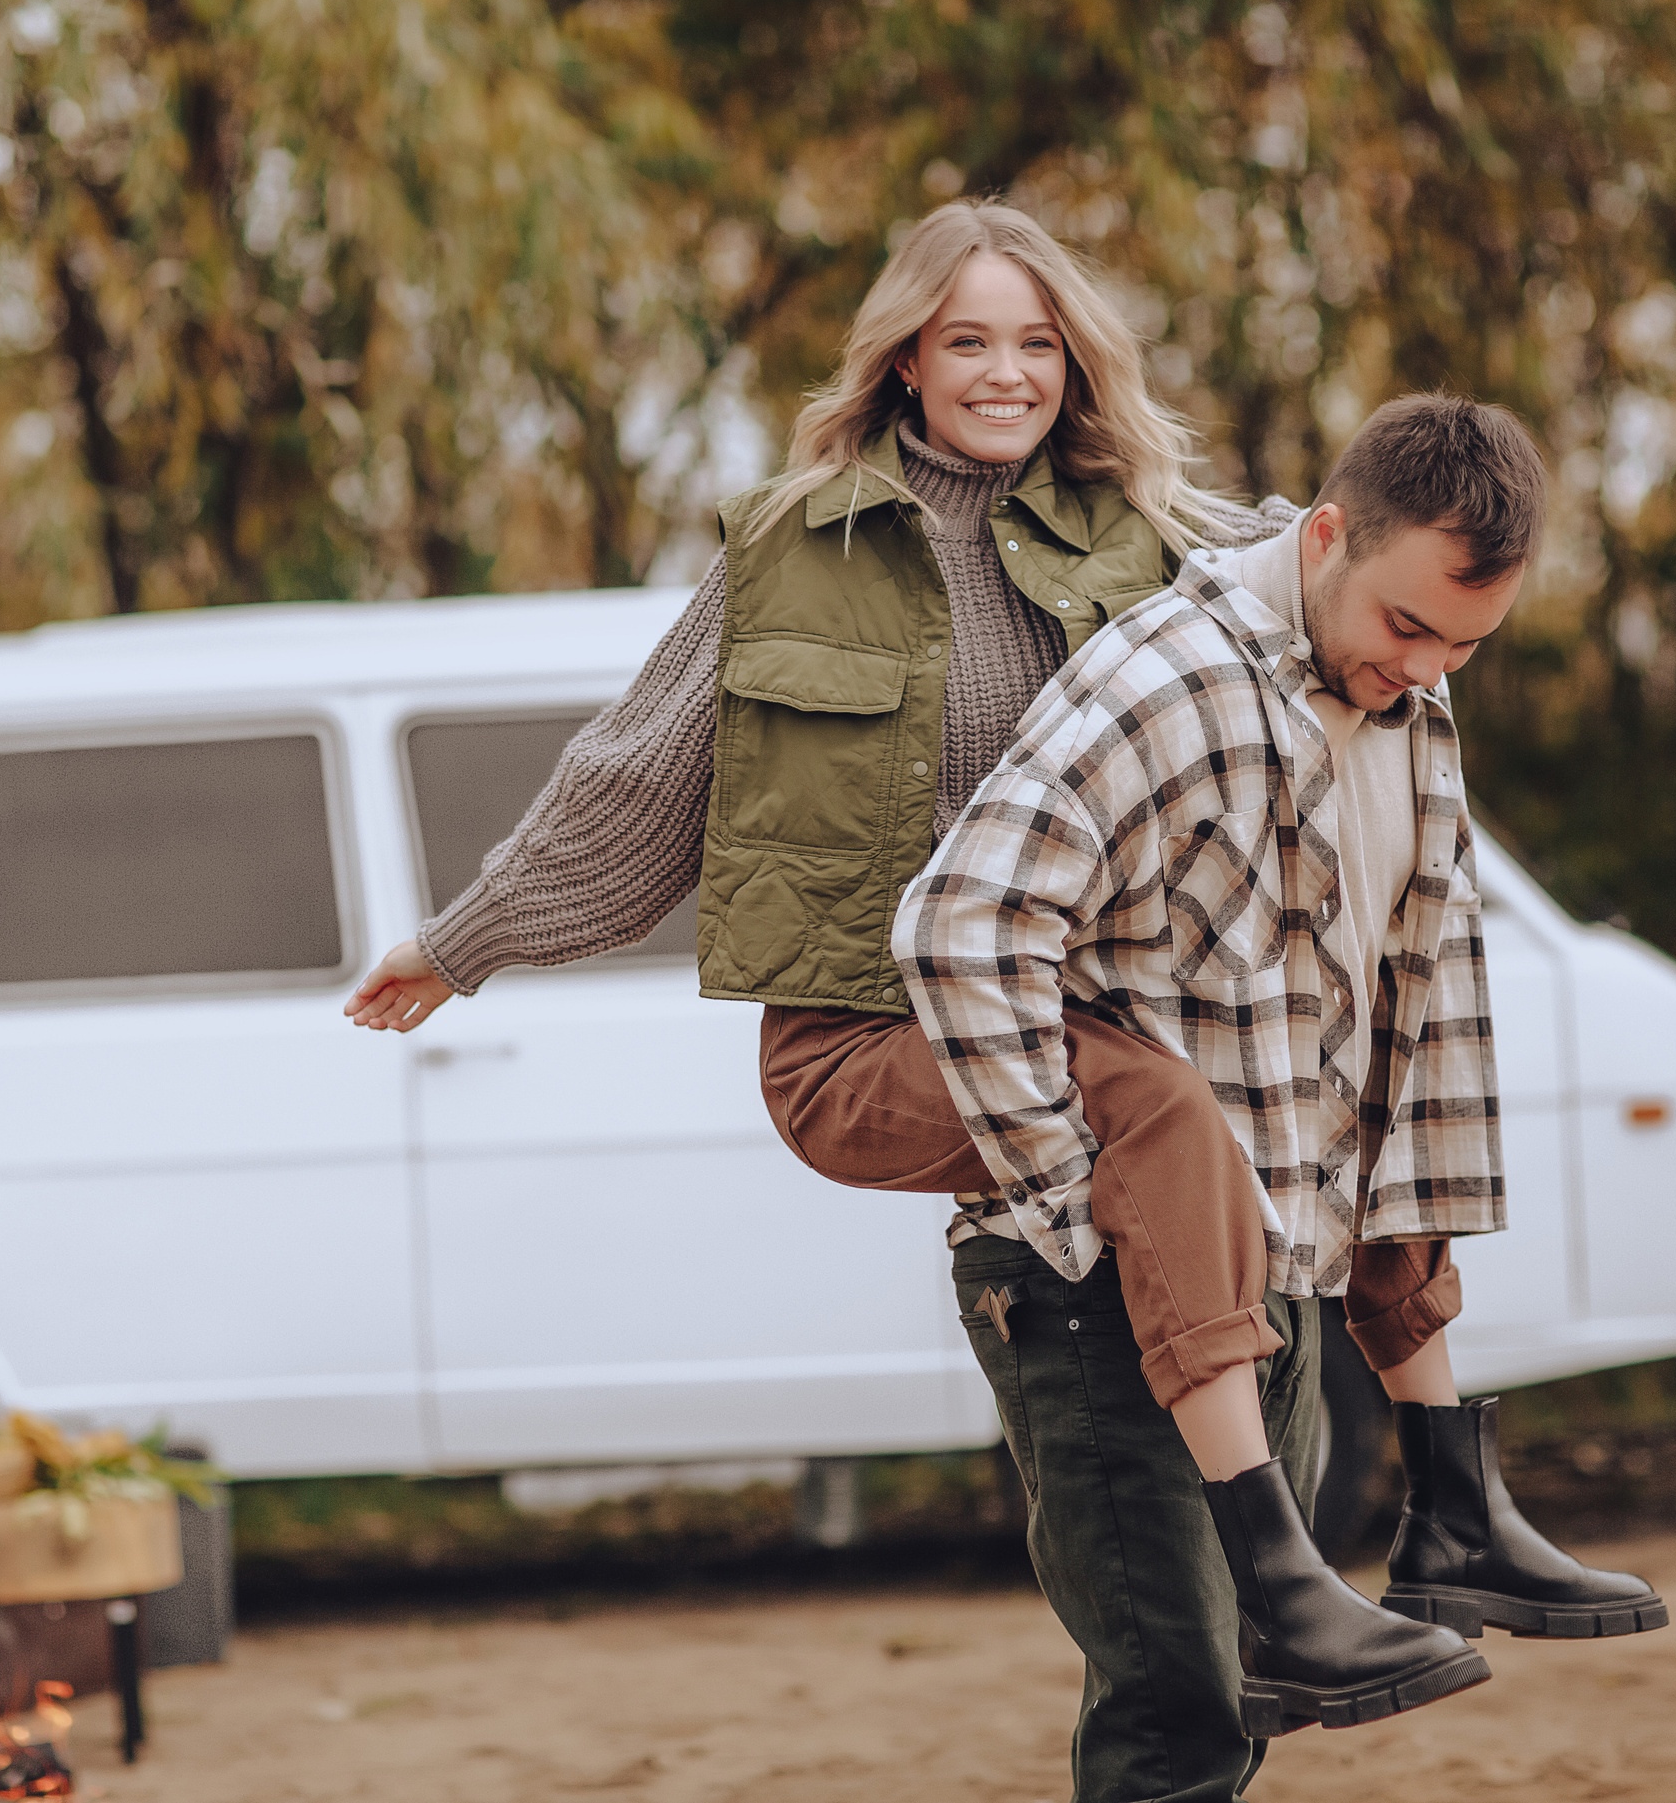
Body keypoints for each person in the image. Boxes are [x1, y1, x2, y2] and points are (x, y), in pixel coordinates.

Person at [347, 199, 1337, 1800]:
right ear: (907, 359)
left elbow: (1329, 588)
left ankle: (1324, 1559)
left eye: (1036, 342)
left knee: (1211, 1155)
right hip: (872, 1041)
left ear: (1076, 362)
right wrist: (463, 941)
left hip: (1112, 1044)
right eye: (968, 341)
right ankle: (1281, 1575)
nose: (1005, 373)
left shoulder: (1156, 538)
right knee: (1154, 1115)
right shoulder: (797, 538)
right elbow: (631, 782)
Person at [891, 392, 1668, 1741]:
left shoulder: (1408, 706)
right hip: (1100, 1285)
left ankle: (1456, 1510)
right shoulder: (1172, 682)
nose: (1426, 666)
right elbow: (960, 924)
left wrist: (1404, 1338)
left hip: (1272, 1274)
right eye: (1407, 624)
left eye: (1465, 644)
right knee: (1179, 1699)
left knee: (1251, 1705)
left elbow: (1402, 1011)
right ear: (1324, 538)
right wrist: (1079, 1200)